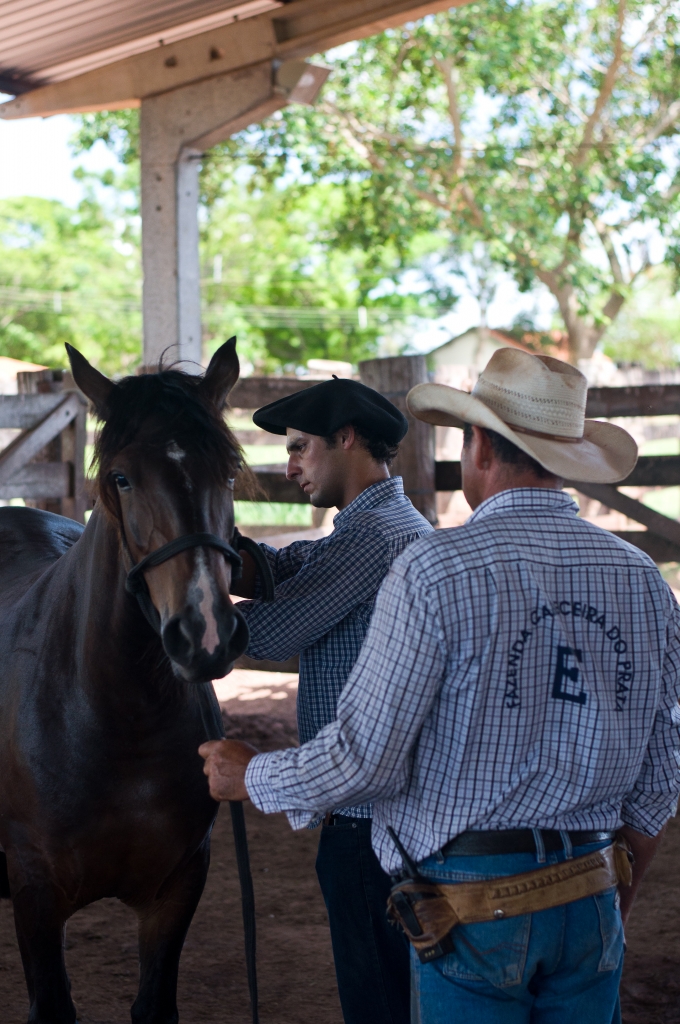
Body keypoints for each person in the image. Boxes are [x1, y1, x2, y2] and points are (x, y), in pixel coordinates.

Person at [203, 349, 680, 1024]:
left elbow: (364, 757)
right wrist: (604, 895)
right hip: (589, 889)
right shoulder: (642, 580)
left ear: (478, 444)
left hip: (471, 901)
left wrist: (254, 776)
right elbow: (661, 779)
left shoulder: (438, 569)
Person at [231, 375, 433, 1024]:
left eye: (299, 448)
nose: (289, 468)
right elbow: (298, 565)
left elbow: (271, 629)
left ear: (346, 439)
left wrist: (168, 606)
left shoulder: (373, 538)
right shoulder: (381, 527)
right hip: (398, 819)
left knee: (377, 1003)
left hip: (369, 823)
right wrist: (217, 549)